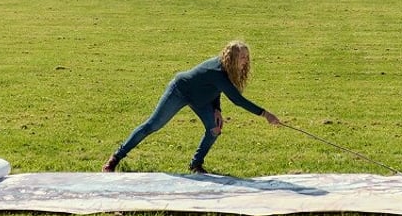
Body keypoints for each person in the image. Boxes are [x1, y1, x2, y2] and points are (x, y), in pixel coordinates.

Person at [102, 40, 280, 174]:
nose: (245, 61)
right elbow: (237, 100)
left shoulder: (225, 70)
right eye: (242, 57)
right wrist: (265, 114)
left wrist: (217, 109)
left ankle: (196, 164)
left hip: (201, 99)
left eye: (247, 57)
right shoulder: (218, 72)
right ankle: (115, 158)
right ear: (232, 58)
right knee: (152, 125)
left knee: (214, 129)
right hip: (180, 91)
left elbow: (216, 88)